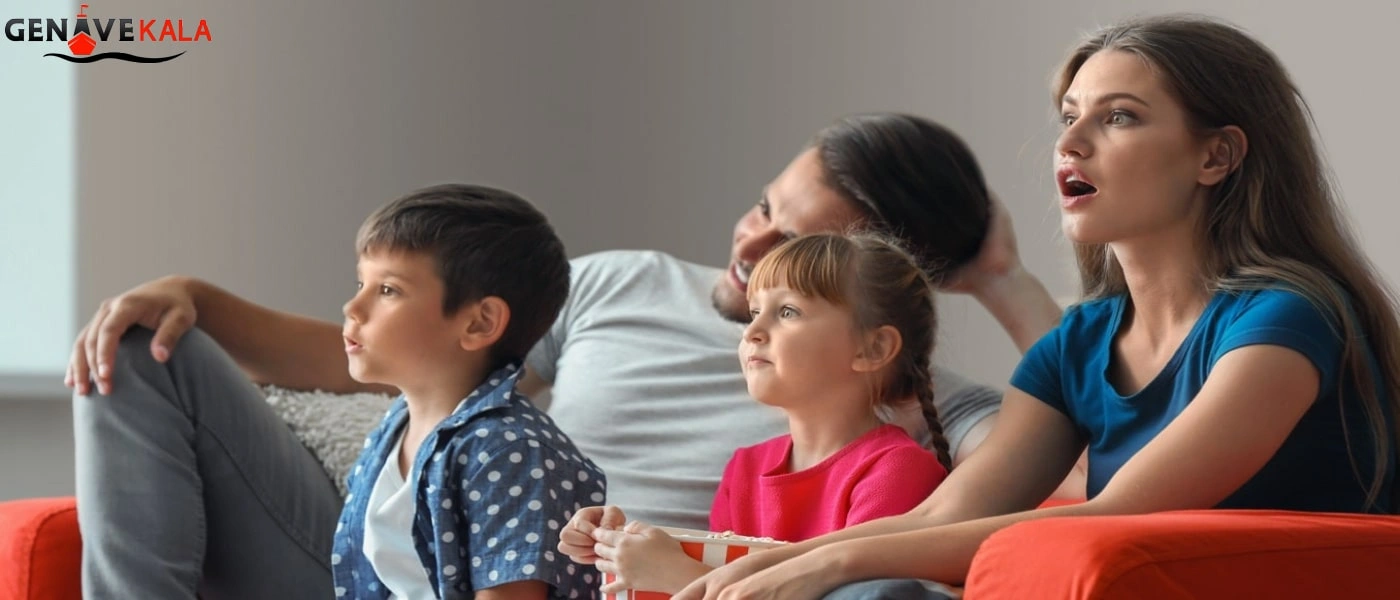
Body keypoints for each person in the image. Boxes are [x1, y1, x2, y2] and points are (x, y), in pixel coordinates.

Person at [66, 114, 1064, 598]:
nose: (750, 244)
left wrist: (1000, 278)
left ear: (881, 313)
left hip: (558, 582)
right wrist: (198, 301)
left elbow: (1078, 438)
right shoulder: (623, 282)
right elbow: (384, 356)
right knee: (146, 346)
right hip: (396, 560)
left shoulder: (920, 405)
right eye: (764, 206)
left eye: (796, 245)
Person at [675, 15, 1400, 600]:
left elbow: (1116, 515)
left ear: (1215, 157)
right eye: (1069, 116)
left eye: (1119, 118)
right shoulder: (1078, 343)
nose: (1069, 144)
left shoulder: (1287, 319)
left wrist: (829, 566)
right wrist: (752, 569)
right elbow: (944, 513)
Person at [561, 233, 951, 596]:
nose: (752, 332)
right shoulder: (745, 469)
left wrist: (675, 573)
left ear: (873, 348)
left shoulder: (899, 472)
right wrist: (614, 544)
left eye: (787, 311)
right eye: (754, 312)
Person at [329, 184, 606, 599]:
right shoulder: (394, 426)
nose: (352, 308)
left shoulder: (512, 451)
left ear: (479, 323)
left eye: (388, 290)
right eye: (360, 284)